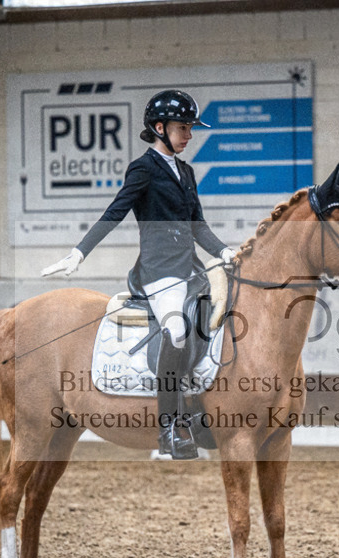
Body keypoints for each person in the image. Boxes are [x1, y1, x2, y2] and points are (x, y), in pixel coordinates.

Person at [42, 89, 235, 460]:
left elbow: (198, 227)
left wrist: (224, 250)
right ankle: (169, 428)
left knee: (216, 324)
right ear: (159, 128)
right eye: (183, 128)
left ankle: (201, 415)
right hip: (159, 273)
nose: (189, 135)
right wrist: (79, 252)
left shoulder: (187, 172)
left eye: (190, 128)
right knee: (176, 331)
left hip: (192, 270)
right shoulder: (144, 168)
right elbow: (115, 212)